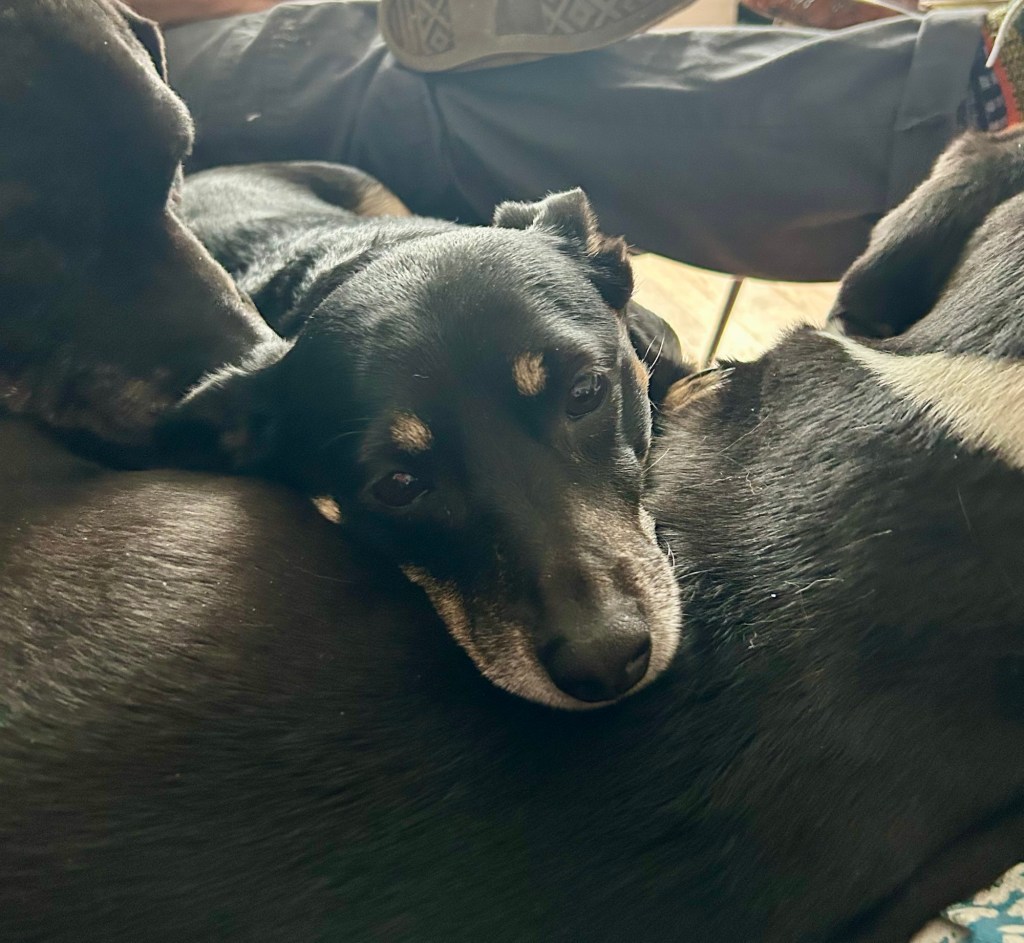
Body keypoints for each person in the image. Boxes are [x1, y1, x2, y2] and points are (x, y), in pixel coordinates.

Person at [129, 0, 1022, 281]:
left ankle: (958, 125)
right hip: (194, 83)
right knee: (411, 93)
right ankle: (967, 109)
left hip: (241, 59)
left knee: (421, 85)